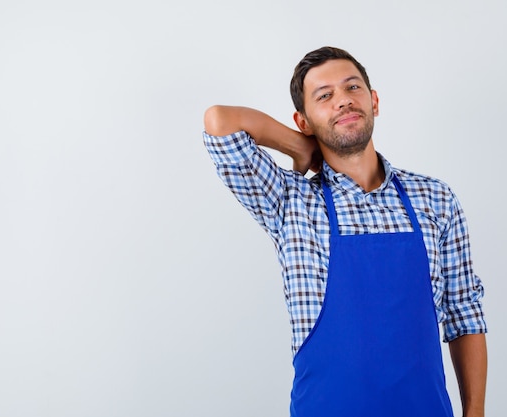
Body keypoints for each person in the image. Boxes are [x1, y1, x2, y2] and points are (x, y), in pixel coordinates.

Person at [202, 46, 487, 417]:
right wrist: (299, 147)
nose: (343, 101)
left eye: (352, 88)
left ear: (374, 101)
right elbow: (219, 122)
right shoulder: (290, 201)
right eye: (325, 96)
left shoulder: (434, 198)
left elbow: (464, 312)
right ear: (303, 120)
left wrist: (475, 412)